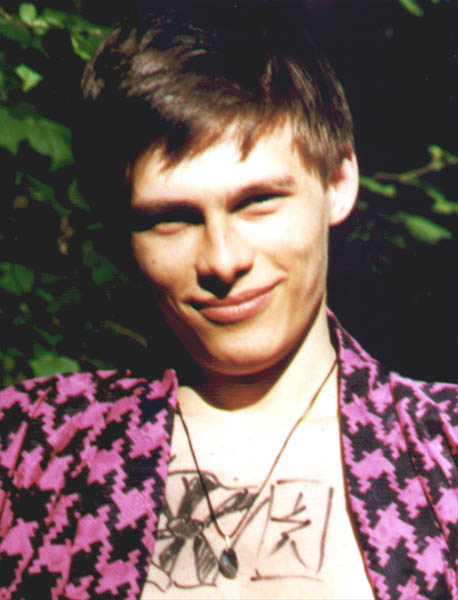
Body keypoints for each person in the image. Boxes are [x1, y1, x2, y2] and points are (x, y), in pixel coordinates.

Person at [0, 2, 456, 599]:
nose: (222, 260)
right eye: (171, 218)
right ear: (121, 231)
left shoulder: (444, 456)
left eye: (258, 201)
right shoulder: (29, 451)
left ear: (338, 182)